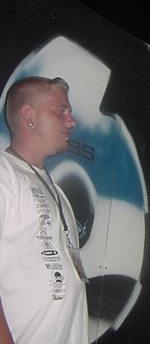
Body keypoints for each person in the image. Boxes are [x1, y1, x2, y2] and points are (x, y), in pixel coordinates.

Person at [0, 76, 89, 344]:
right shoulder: (5, 174)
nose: (72, 122)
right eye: (62, 110)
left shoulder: (58, 193)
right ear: (29, 115)